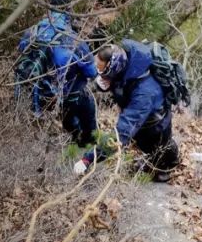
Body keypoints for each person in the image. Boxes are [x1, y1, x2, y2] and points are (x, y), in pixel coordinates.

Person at [73, 39, 180, 182]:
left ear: (113, 69)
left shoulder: (144, 93)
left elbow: (121, 133)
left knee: (158, 151)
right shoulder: (125, 65)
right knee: (143, 143)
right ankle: (155, 157)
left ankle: (167, 165)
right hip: (140, 114)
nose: (99, 73)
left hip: (155, 125)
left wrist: (88, 159)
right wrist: (102, 84)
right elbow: (117, 82)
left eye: (102, 70)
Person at [14, 0, 97, 147]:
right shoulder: (72, 40)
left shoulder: (33, 31)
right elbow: (92, 72)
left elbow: (21, 51)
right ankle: (87, 144)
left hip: (33, 92)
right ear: (68, 10)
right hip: (62, 97)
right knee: (87, 106)